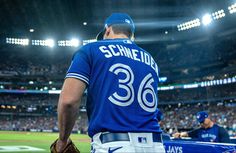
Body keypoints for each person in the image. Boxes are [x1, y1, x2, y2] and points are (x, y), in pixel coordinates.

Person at [55, 13, 165, 153]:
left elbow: (68, 101)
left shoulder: (90, 50)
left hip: (114, 144)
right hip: (156, 145)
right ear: (131, 34)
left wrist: (63, 140)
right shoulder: (151, 60)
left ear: (107, 29)